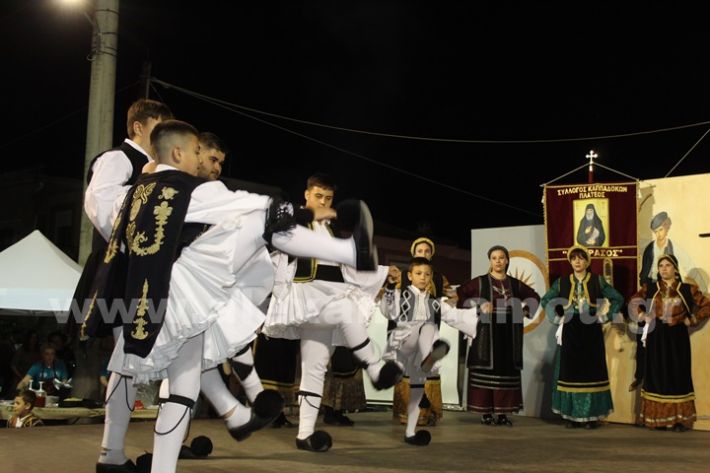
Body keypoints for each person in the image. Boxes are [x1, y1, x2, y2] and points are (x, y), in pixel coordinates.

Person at [90, 120, 379, 473]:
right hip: (181, 298)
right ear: (178, 153)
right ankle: (351, 252)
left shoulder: (129, 194)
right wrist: (302, 212)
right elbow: (247, 204)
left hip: (133, 296)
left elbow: (112, 231)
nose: (201, 159)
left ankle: (112, 455)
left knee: (125, 368)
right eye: (197, 152)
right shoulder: (191, 189)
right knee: (183, 386)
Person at [264, 172, 400, 453]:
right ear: (306, 194)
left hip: (331, 294)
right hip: (307, 297)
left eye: (328, 198)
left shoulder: (332, 230)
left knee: (315, 367)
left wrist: (384, 272)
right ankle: (374, 367)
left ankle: (305, 434)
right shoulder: (293, 221)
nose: (324, 202)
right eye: (318, 196)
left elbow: (347, 267)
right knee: (345, 309)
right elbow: (275, 243)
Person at [76, 98, 174, 340]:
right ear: (138, 127)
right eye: (159, 127)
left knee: (139, 344)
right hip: (118, 264)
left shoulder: (157, 167)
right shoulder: (118, 158)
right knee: (128, 342)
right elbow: (99, 203)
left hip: (139, 265)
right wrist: (130, 243)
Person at [380, 257, 478, 445]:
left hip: (420, 351)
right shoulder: (401, 295)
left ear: (431, 277)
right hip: (404, 344)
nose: (423, 277)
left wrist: (479, 312)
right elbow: (388, 310)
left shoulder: (435, 302)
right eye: (418, 273)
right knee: (427, 328)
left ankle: (410, 433)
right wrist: (390, 287)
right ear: (410, 276)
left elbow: (456, 316)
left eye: (426, 274)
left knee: (417, 392)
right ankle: (428, 359)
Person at [540, 245, 624, 428]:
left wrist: (606, 317)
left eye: (581, 258)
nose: (577, 262)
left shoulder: (597, 280)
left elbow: (618, 298)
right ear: (570, 262)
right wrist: (556, 318)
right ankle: (571, 416)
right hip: (570, 330)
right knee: (570, 372)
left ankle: (591, 416)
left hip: (591, 330)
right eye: (574, 258)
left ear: (587, 262)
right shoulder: (562, 282)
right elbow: (545, 300)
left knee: (591, 372)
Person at [456, 245, 540, 426]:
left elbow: (534, 297)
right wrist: (478, 306)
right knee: (485, 370)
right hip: (485, 333)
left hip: (509, 334)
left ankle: (502, 413)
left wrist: (525, 311)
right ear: (490, 261)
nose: (498, 261)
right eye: (494, 258)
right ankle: (486, 413)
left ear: (507, 260)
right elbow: (461, 295)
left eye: (501, 258)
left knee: (505, 371)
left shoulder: (515, 284)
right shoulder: (480, 282)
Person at [629, 254, 710, 431]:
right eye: (661, 266)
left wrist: (693, 319)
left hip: (677, 338)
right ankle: (658, 419)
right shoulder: (651, 288)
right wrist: (642, 315)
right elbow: (633, 302)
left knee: (677, 376)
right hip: (656, 337)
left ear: (675, 268)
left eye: (668, 265)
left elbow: (707, 305)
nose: (664, 269)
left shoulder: (687, 289)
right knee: (656, 375)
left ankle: (678, 420)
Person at [391, 237, 454, 427]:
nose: (424, 254)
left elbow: (452, 296)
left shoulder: (438, 277)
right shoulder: (404, 275)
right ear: (413, 253)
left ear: (432, 254)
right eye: (420, 251)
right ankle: (407, 412)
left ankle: (428, 414)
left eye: (427, 251)